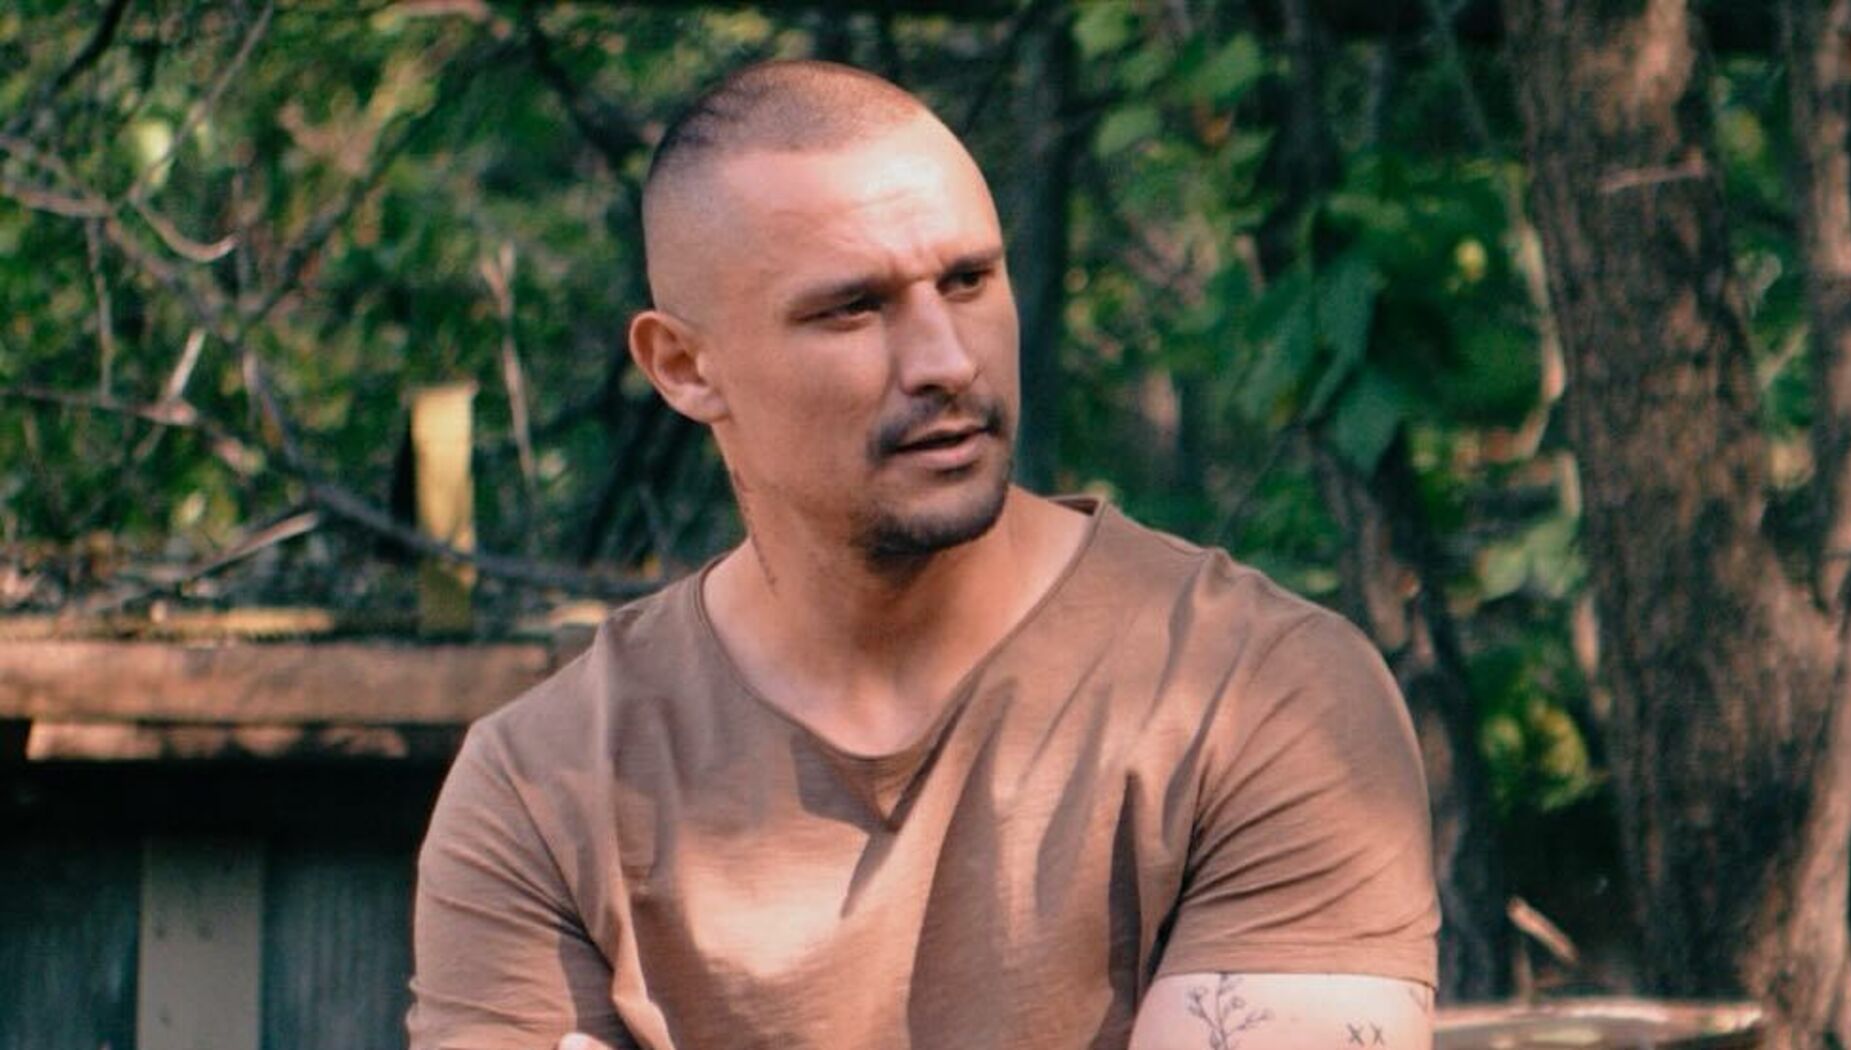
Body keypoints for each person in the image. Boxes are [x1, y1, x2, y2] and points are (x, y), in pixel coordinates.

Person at [407, 59, 1439, 1050]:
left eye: (969, 280)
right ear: (684, 367)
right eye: (853, 308)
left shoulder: (1259, 694)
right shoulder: (546, 789)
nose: (947, 361)